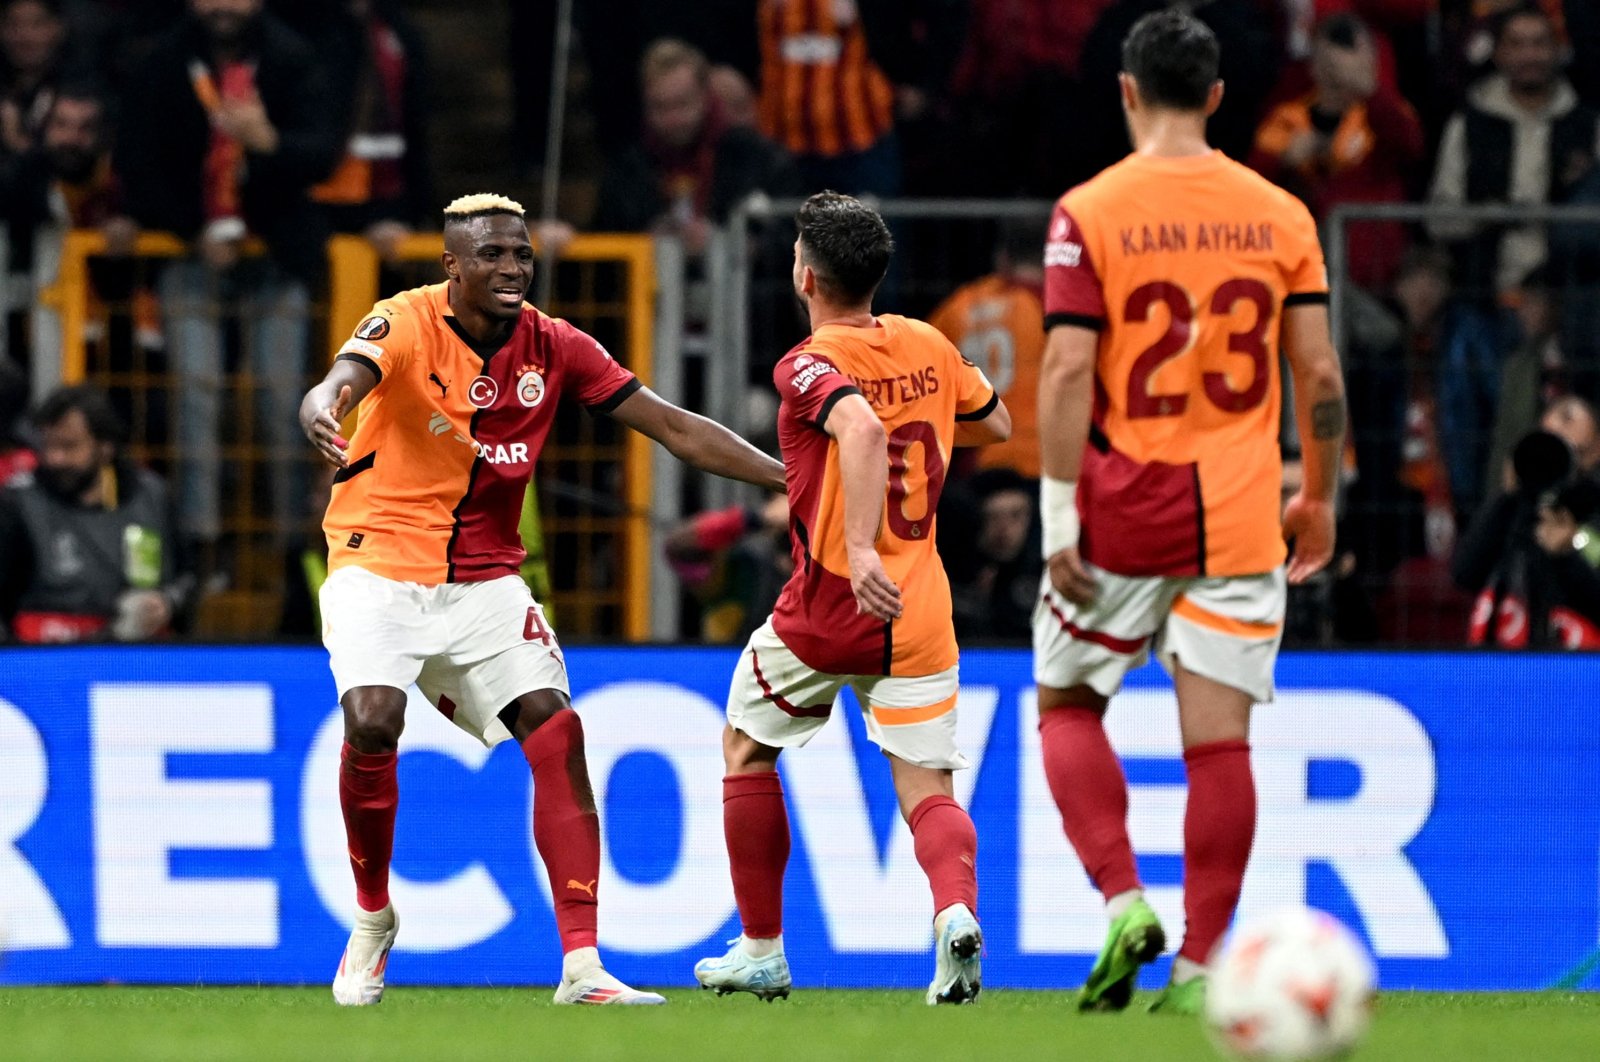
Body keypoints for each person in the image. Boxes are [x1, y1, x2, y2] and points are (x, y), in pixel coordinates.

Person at [298, 193, 785, 1008]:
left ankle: (582, 967)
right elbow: (338, 382)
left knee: (557, 727)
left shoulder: (554, 346)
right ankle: (375, 919)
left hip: (486, 575)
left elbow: (670, 425)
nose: (512, 268)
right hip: (376, 556)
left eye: (520, 253)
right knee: (374, 719)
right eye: (490, 254)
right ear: (450, 266)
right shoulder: (405, 321)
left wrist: (788, 477)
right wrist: (322, 410)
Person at [1035, 10, 1346, 1014]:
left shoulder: (1089, 209)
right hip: (1246, 508)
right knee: (1218, 747)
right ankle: (1204, 960)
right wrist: (1321, 493)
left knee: (1068, 701)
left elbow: (1068, 367)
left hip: (1129, 503)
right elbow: (1319, 373)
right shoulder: (1282, 213)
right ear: (1217, 97)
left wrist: (1056, 516)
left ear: (1125, 91)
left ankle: (1123, 897)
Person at [693, 192, 1012, 1005]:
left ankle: (763, 949)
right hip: (923, 611)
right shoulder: (930, 342)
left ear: (805, 277)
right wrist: (923, 407)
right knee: (926, 791)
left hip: (835, 601)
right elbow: (996, 422)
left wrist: (861, 543)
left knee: (744, 746)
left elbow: (864, 431)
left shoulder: (806, 364)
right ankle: (954, 914)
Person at [118, 0, 342, 566]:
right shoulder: (163, 61)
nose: (222, 6)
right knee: (195, 394)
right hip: (192, 258)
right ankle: (200, 548)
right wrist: (193, 231)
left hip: (276, 259)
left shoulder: (293, 57)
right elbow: (136, 161)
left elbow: (323, 153)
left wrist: (268, 141)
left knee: (285, 400)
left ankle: (297, 553)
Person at [1429, 4, 1600, 299]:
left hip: (1571, 292)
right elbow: (1438, 219)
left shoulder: (1588, 124)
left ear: (1557, 50)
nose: (1530, 56)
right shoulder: (1467, 124)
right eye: (1517, 44)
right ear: (1499, 54)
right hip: (1482, 285)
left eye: (1539, 44)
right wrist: (1489, 214)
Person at [1248, 13, 1424, 291]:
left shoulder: (1385, 114)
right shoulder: (1286, 120)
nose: (1338, 66)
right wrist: (1283, 162)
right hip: (1300, 270)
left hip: (1375, 275)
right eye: (1329, 54)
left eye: (1350, 53)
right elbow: (1251, 188)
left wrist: (1367, 87)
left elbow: (1410, 147)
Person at [0, 384, 181, 643]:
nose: (54, 458)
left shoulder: (151, 497)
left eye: (69, 447)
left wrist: (167, 603)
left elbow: (187, 576)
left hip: (141, 658)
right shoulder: (17, 503)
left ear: (105, 449)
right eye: (48, 445)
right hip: (45, 661)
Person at [928, 219, 1047, 478]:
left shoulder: (963, 302)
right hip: (1038, 460)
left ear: (1003, 257)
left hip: (976, 461)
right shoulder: (1054, 306)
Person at [945, 466, 1041, 642]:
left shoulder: (1044, 574)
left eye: (1016, 515)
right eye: (993, 516)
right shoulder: (948, 577)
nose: (1004, 530)